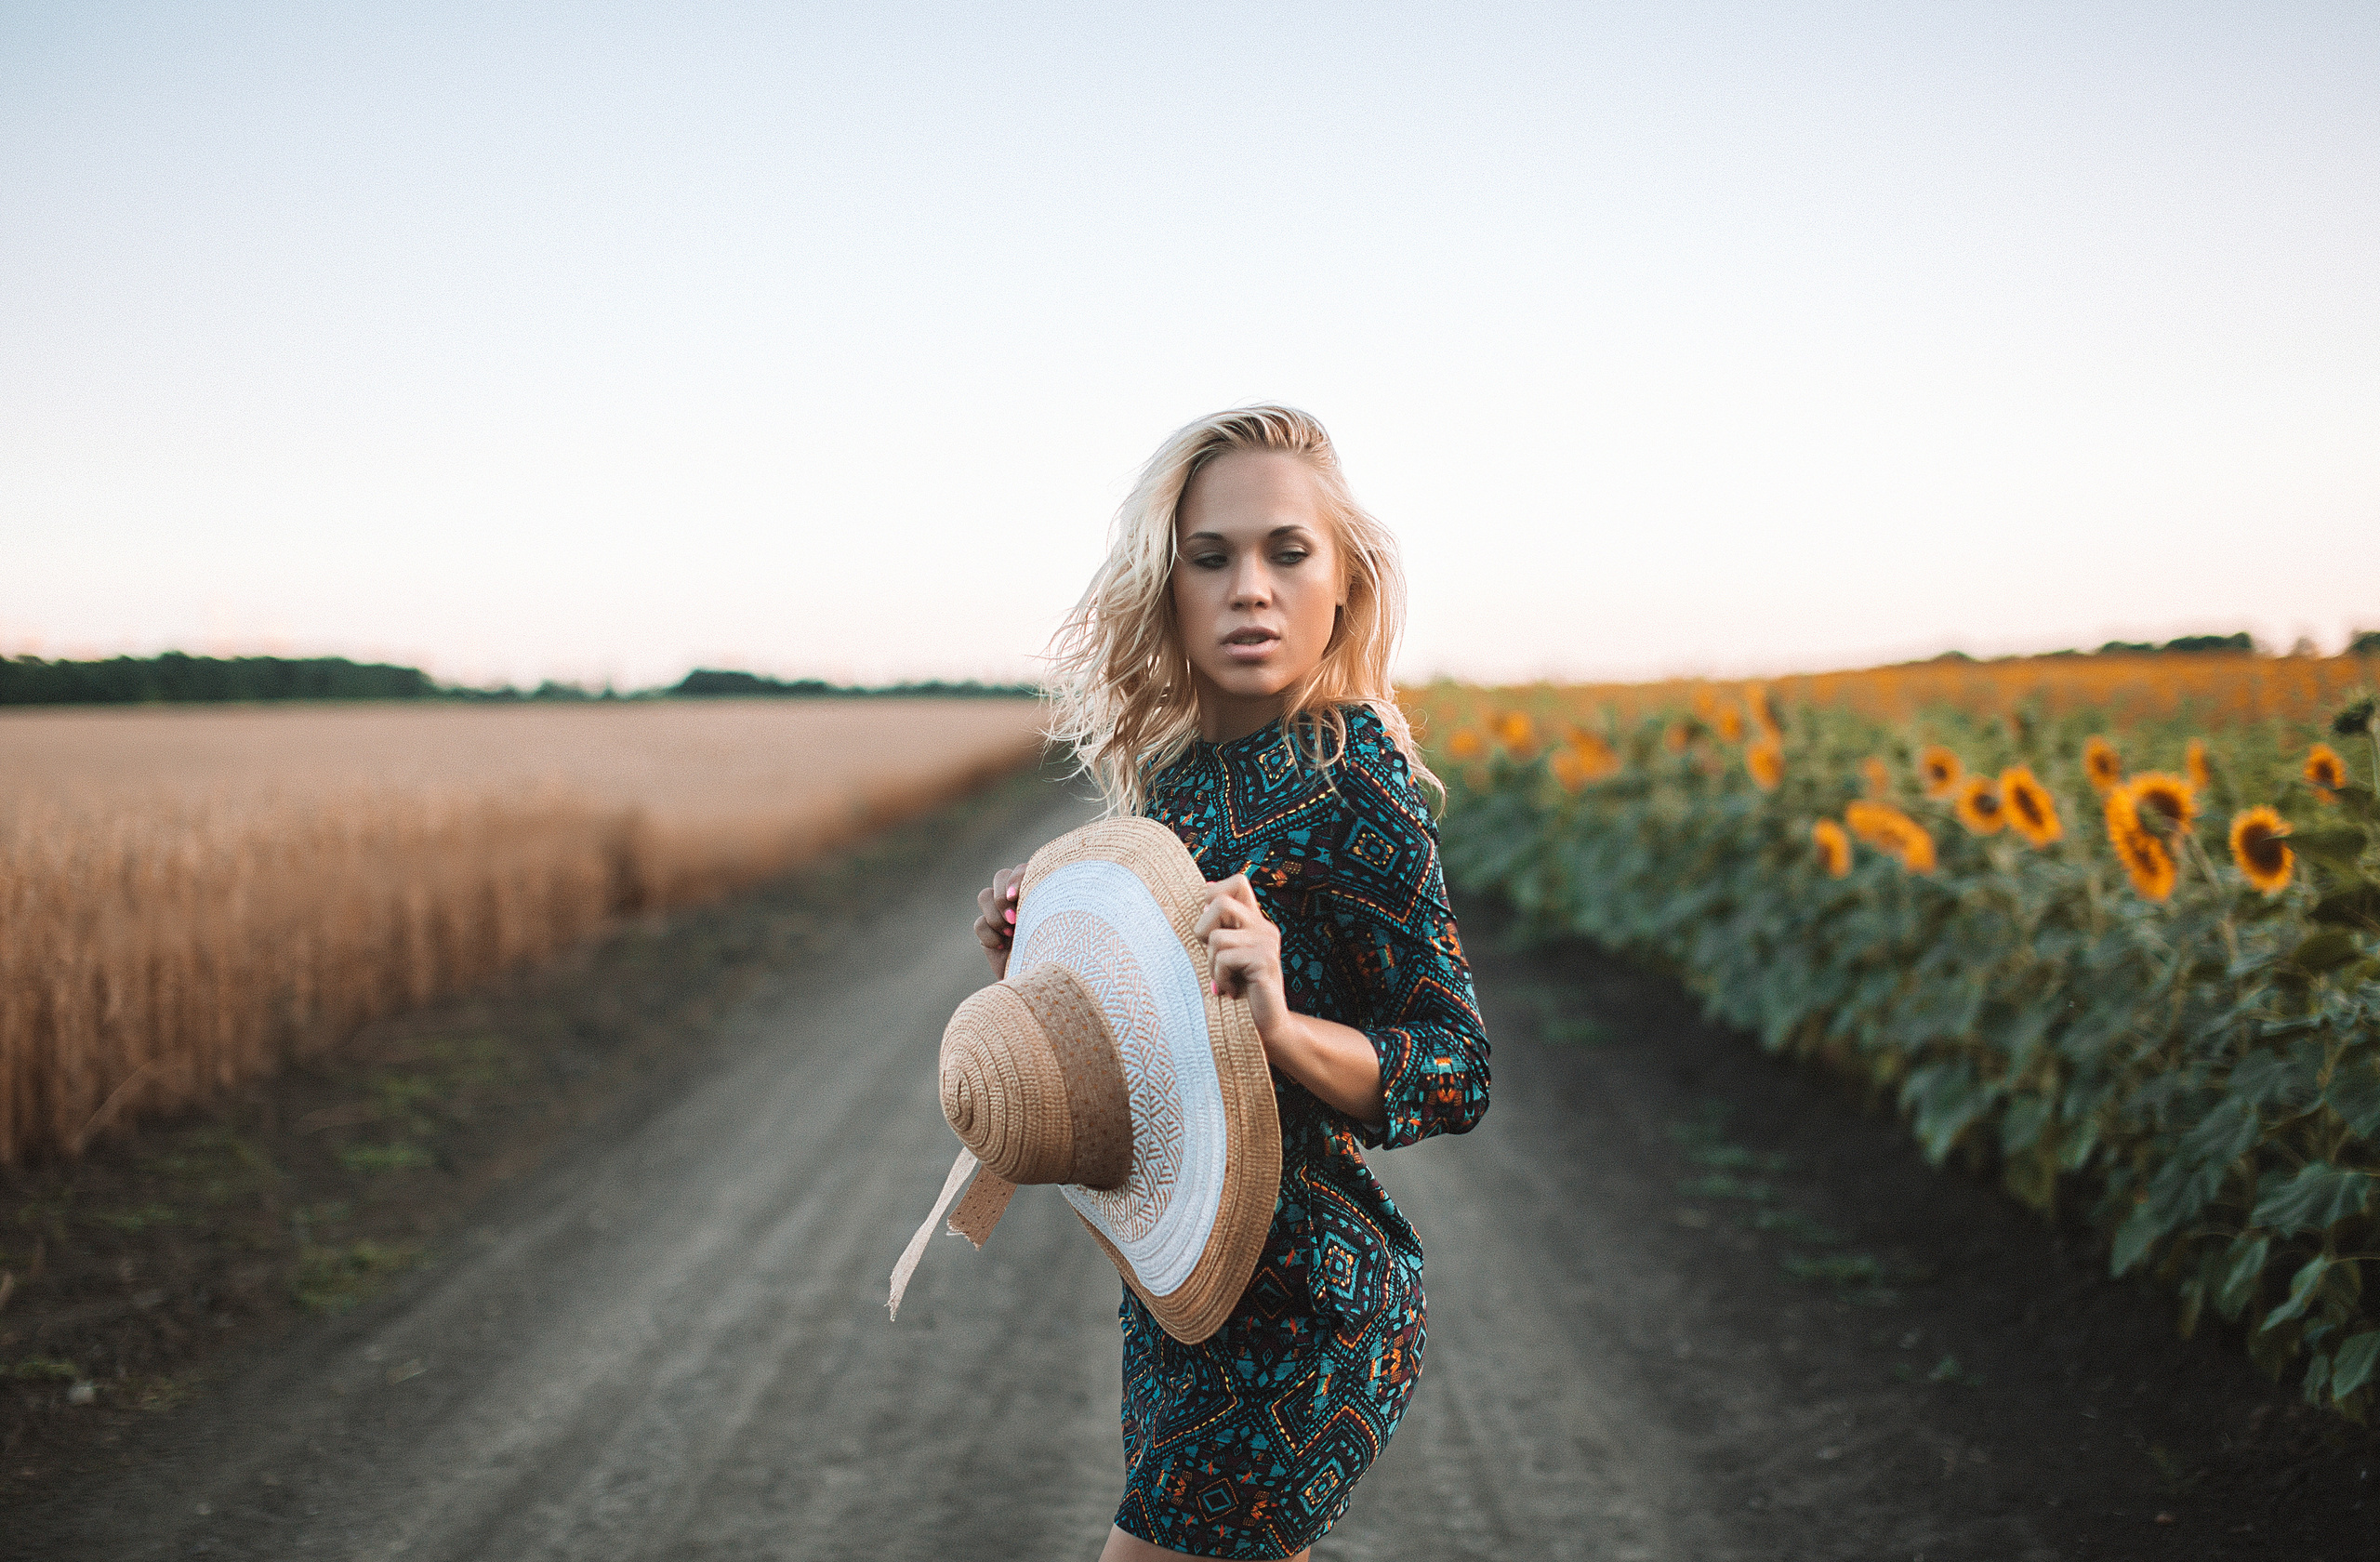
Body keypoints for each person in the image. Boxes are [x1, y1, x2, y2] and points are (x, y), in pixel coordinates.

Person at [972, 405, 1491, 1560]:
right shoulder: (1173, 784)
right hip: (1187, 1300)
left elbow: (1455, 1070)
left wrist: (1283, 1023)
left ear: (1344, 584)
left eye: (1285, 552)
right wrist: (1046, 955)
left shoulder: (1356, 780)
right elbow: (1154, 1047)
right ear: (1169, 589)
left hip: (1309, 1304)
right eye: (1210, 558)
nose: (1249, 587)